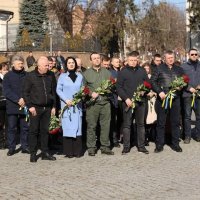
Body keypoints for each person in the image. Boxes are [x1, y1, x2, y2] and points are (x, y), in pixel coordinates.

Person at [23, 56, 57, 162]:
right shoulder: (30, 76)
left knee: (45, 131)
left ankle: (45, 152)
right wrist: (30, 106)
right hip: (35, 108)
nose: (48, 67)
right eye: (46, 65)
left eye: (48, 65)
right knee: (33, 131)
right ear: (39, 66)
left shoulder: (51, 75)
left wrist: (54, 106)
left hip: (47, 108)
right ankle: (33, 153)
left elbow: (54, 92)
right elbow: (25, 92)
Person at [116, 52, 150, 155]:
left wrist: (145, 91)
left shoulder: (142, 71)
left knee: (141, 124)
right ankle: (126, 147)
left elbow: (148, 84)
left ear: (138, 60)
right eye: (131, 60)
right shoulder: (123, 72)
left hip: (140, 102)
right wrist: (126, 98)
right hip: (128, 103)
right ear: (127, 60)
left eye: (135, 60)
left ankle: (141, 146)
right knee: (127, 125)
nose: (133, 62)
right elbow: (119, 87)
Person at [151, 50, 184, 153]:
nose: (171, 59)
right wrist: (159, 91)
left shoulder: (179, 69)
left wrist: (181, 86)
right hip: (163, 99)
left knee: (175, 122)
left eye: (172, 58)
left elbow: (185, 81)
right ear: (164, 59)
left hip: (175, 99)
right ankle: (159, 145)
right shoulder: (159, 68)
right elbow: (152, 81)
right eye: (169, 58)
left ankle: (175, 144)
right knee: (161, 123)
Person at [83, 52, 114, 156]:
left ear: (101, 60)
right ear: (91, 61)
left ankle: (105, 146)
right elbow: (83, 89)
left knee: (106, 126)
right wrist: (91, 93)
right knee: (91, 126)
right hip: (92, 104)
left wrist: (108, 89)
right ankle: (91, 147)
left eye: (98, 58)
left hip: (105, 103)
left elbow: (112, 87)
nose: (96, 60)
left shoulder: (107, 73)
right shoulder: (86, 74)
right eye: (94, 58)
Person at [57, 57, 83, 158]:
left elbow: (82, 89)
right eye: (69, 63)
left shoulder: (80, 76)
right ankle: (68, 152)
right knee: (67, 128)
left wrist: (80, 98)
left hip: (77, 106)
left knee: (77, 129)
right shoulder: (62, 76)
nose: (71, 64)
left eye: (73, 62)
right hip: (66, 106)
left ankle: (77, 151)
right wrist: (66, 99)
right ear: (66, 65)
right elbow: (59, 90)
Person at [3, 55, 29, 156]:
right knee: (11, 128)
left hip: (24, 105)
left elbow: (28, 89)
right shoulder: (8, 76)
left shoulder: (26, 75)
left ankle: (24, 146)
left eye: (22, 64)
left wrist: (24, 99)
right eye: (19, 64)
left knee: (25, 127)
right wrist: (17, 99)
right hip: (12, 105)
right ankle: (11, 147)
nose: (21, 65)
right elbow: (7, 91)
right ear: (13, 64)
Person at [181, 48, 200, 144]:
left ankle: (198, 135)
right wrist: (189, 88)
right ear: (188, 55)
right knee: (187, 116)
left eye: (196, 54)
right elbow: (181, 80)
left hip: (198, 95)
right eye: (192, 54)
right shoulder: (183, 66)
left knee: (199, 116)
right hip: (187, 95)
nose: (194, 56)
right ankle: (187, 136)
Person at [109, 57, 121, 148]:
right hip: (113, 98)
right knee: (113, 120)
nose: (118, 63)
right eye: (116, 62)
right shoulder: (110, 72)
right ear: (112, 63)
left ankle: (118, 136)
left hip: (121, 98)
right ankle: (113, 139)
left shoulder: (121, 71)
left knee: (120, 120)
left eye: (119, 62)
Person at [0, 62, 9, 149]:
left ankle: (7, 141)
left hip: (8, 104)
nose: (6, 71)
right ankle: (1, 142)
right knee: (1, 124)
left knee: (8, 124)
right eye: (4, 70)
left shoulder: (8, 79)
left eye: (7, 70)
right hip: (0, 105)